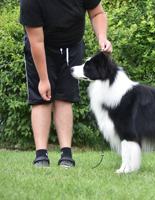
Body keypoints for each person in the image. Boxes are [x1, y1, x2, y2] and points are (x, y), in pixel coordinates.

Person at [20, 0, 112, 167]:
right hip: (41, 48)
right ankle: (41, 155)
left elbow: (97, 13)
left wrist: (102, 37)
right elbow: (36, 42)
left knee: (65, 97)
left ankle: (66, 155)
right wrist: (43, 79)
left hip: (72, 46)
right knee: (42, 98)